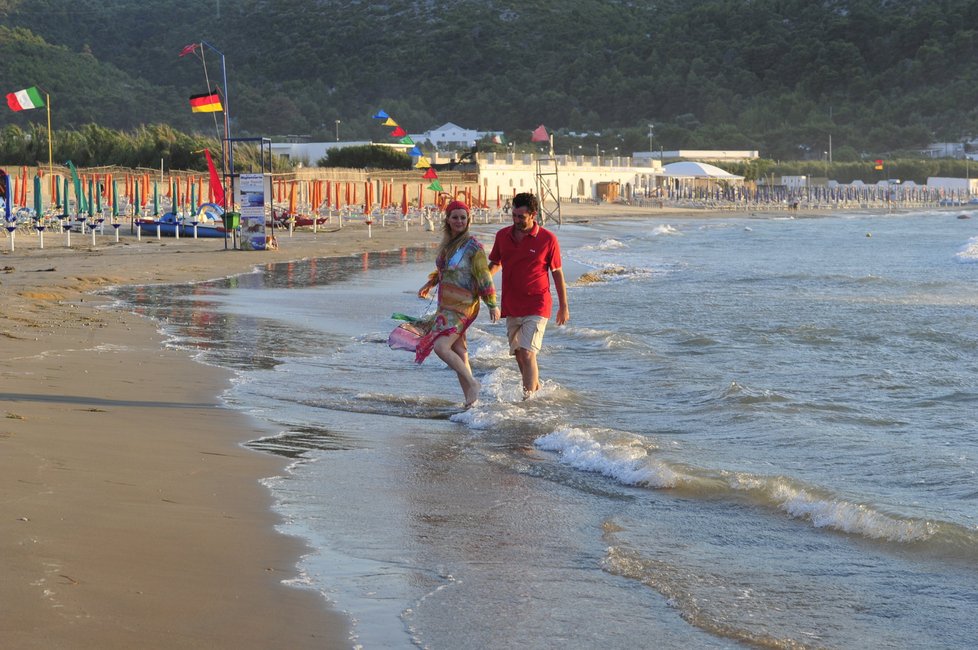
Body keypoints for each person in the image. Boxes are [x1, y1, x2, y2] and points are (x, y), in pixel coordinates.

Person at [416, 200, 500, 407]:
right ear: (448, 219)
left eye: (463, 217)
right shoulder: (448, 244)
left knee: (441, 347)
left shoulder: (473, 247)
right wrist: (430, 283)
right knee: (460, 350)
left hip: (464, 305)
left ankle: (473, 383)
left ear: (468, 220)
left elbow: (484, 276)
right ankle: (471, 402)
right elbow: (446, 270)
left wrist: (492, 304)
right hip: (445, 304)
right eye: (455, 217)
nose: (459, 221)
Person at [488, 192, 569, 397]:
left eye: (520, 217)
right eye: (513, 215)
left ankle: (528, 402)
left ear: (533, 215)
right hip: (512, 304)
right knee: (518, 355)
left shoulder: (548, 239)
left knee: (527, 352)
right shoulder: (502, 236)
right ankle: (536, 390)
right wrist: (480, 283)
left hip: (538, 304)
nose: (516, 220)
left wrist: (563, 306)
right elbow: (496, 264)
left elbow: (557, 273)